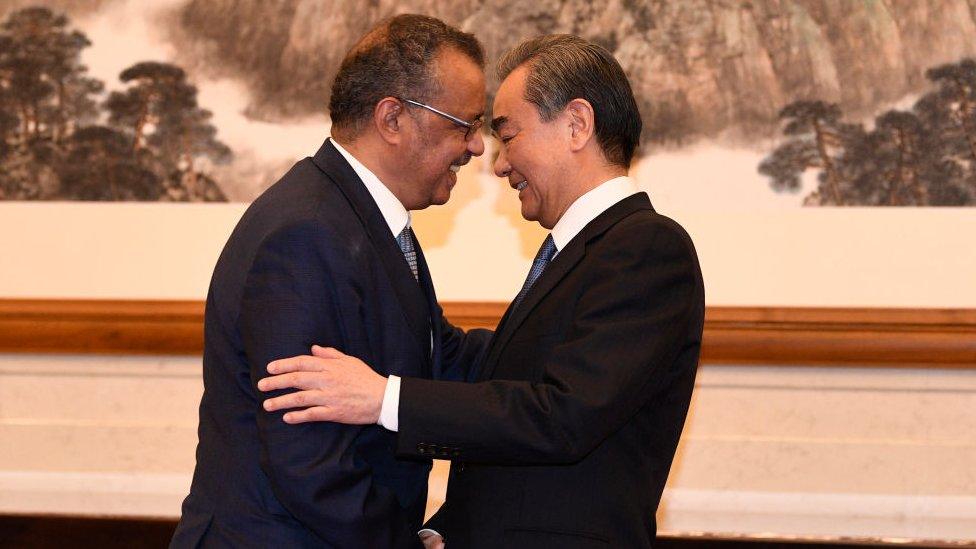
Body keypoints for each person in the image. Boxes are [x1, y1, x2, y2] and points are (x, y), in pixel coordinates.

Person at [260, 34, 705, 548]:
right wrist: (444, 528)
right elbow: (506, 399)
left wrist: (384, 399)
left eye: (508, 135)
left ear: (576, 124)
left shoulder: (647, 247)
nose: (496, 164)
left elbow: (560, 417)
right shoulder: (579, 254)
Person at [170, 14, 493, 548]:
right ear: (392, 118)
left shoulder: (358, 220)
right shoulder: (307, 233)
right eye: (465, 124)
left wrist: (567, 345)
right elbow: (307, 458)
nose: (477, 147)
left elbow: (441, 357)